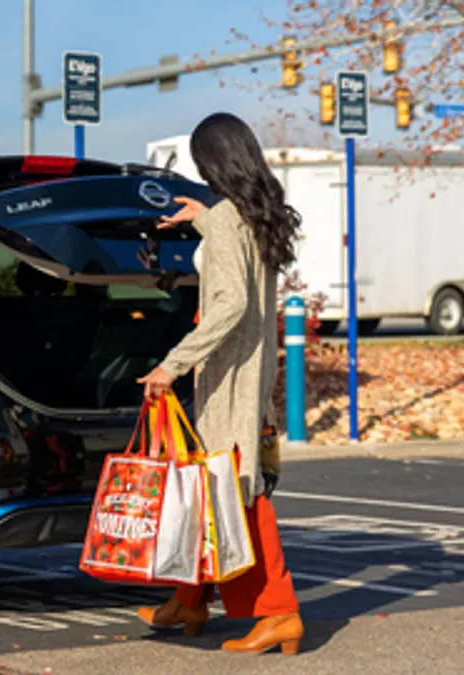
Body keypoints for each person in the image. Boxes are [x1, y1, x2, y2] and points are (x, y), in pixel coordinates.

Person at [134, 111, 304, 655]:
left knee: (238, 496)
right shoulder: (255, 215)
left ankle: (278, 611)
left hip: (228, 376)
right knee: (211, 488)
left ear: (213, 162)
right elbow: (251, 291)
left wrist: (172, 364)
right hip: (250, 374)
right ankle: (189, 598)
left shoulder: (231, 219)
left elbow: (230, 303)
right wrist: (203, 219)